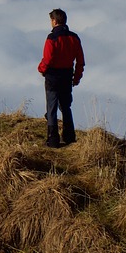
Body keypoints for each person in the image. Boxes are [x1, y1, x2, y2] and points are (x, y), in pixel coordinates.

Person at [38, 8, 85, 148]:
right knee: (66, 106)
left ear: (54, 21)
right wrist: (76, 77)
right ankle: (69, 136)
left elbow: (48, 58)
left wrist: (41, 69)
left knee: (51, 107)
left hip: (52, 77)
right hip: (66, 76)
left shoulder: (51, 38)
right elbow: (80, 61)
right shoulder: (74, 38)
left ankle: (53, 140)